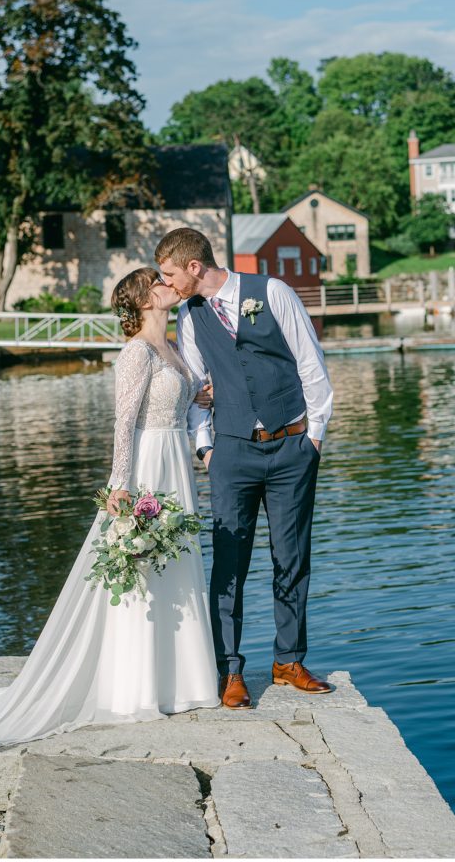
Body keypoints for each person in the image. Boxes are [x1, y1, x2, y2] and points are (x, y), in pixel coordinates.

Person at [0, 267, 220, 746]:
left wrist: (201, 394)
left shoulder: (171, 348)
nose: (166, 286)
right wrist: (119, 485)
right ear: (143, 299)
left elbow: (177, 401)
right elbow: (123, 423)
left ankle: (182, 681)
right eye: (157, 282)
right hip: (147, 467)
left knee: (174, 563)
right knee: (140, 568)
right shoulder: (136, 352)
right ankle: (137, 686)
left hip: (175, 463)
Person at [155, 227, 335, 709]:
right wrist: (206, 447)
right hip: (231, 453)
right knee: (229, 561)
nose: (167, 284)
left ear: (194, 267)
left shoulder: (272, 292)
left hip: (291, 447)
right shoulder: (190, 316)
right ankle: (229, 669)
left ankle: (288, 661)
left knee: (292, 556)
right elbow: (195, 388)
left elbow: (311, 364)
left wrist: (313, 438)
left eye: (169, 274)